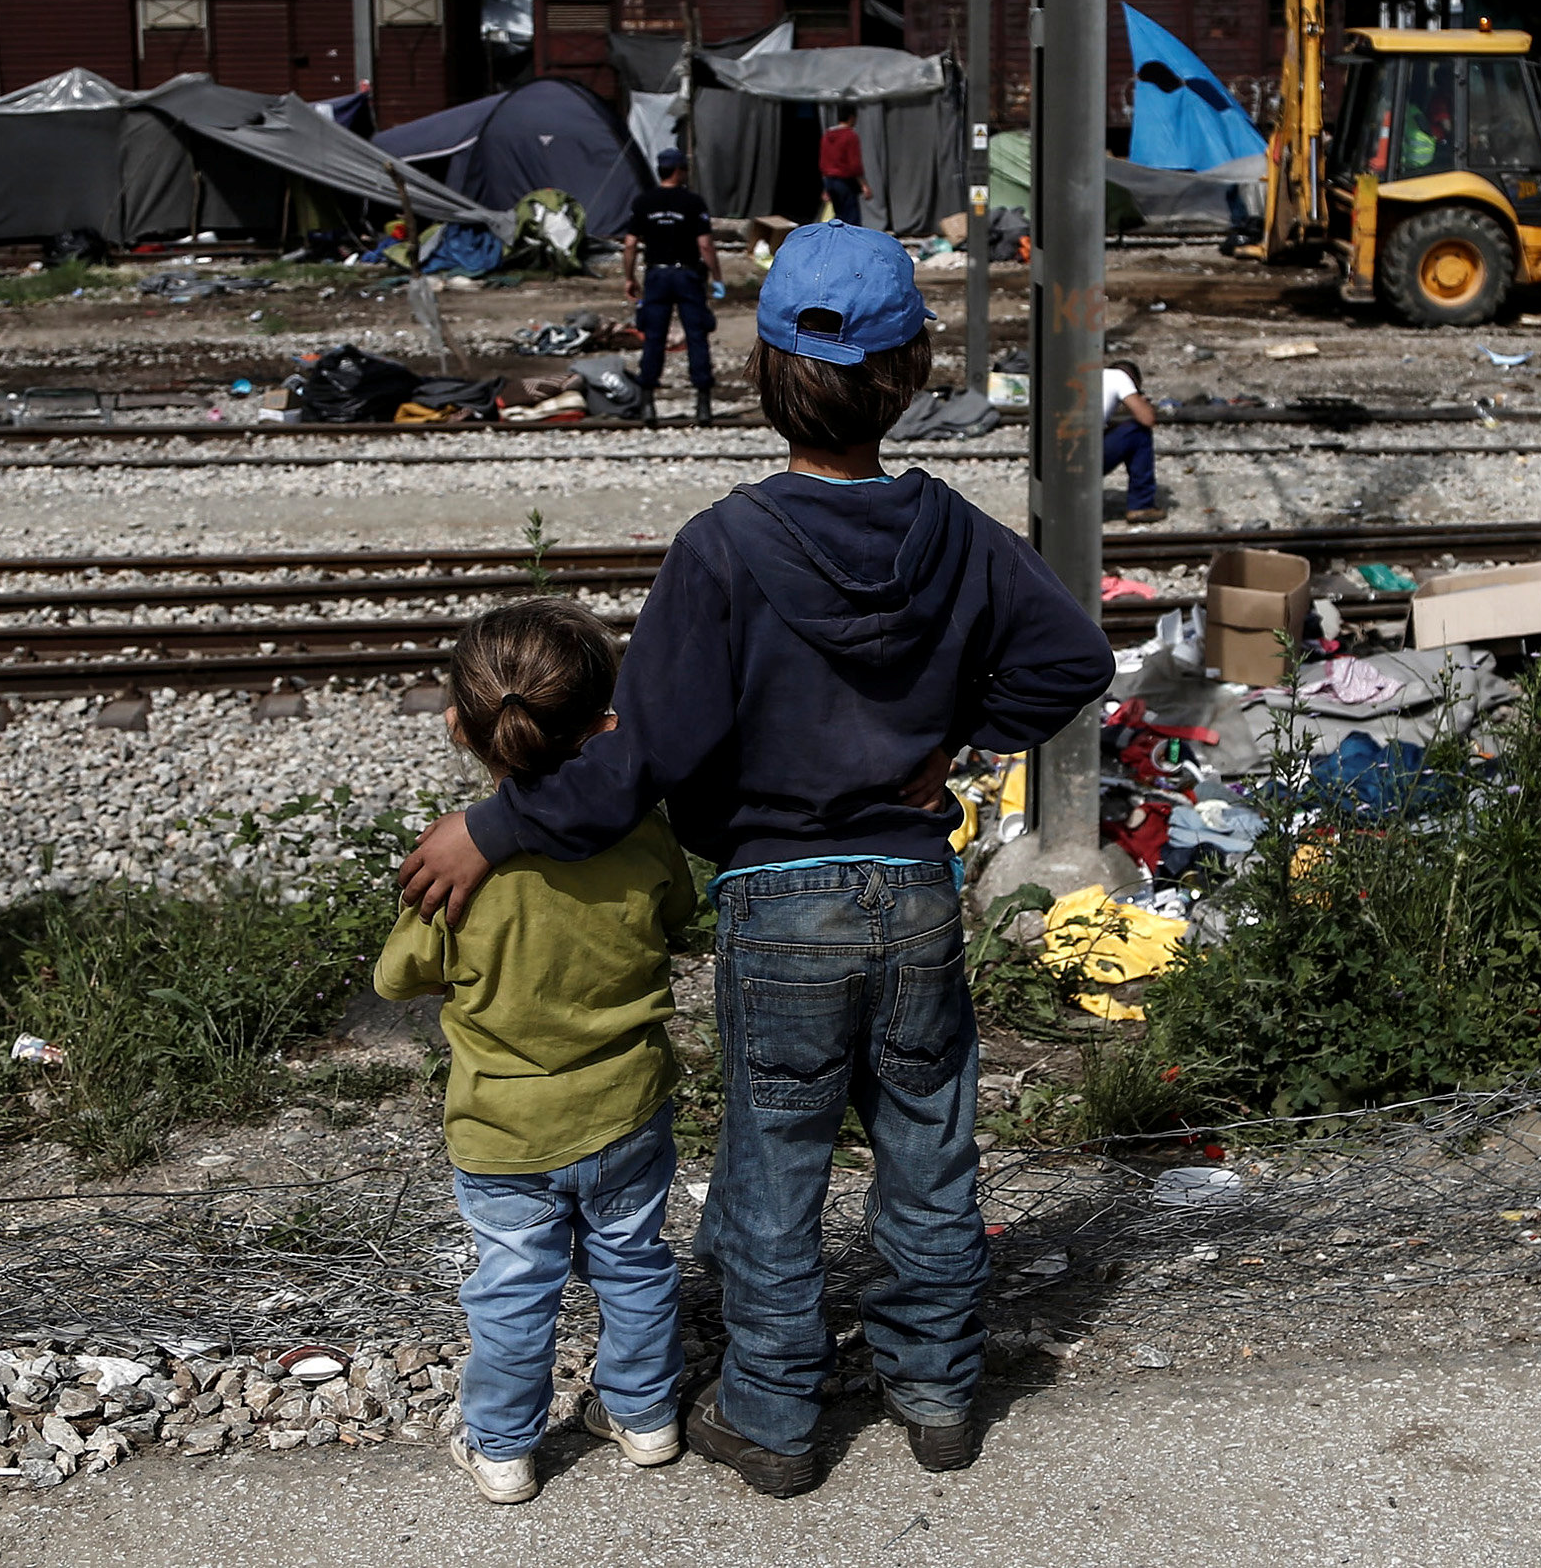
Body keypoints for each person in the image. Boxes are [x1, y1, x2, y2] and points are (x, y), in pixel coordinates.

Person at [394, 222, 1115, 1498]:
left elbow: (641, 757)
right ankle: (940, 1390)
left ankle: (774, 1420)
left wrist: (490, 824)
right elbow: (1073, 658)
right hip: (909, 893)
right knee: (929, 1148)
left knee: (773, 1167)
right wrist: (954, 737)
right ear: (908, 372)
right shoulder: (953, 532)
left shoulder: (720, 550)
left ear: (760, 373)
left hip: (775, 904)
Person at [376, 596, 698, 1506]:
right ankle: (644, 1416)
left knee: (514, 1287)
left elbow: (401, 975)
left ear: (457, 728)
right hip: (629, 1103)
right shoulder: (643, 832)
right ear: (604, 724)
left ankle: (506, 1448)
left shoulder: (457, 863)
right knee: (633, 1260)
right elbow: (678, 916)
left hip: (504, 1127)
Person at [623, 146, 721, 422]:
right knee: (696, 335)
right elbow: (705, 245)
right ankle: (703, 403)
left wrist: (629, 277)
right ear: (679, 171)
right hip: (687, 274)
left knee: (654, 337)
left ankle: (648, 402)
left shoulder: (644, 202)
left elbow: (630, 244)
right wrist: (718, 277)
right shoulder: (692, 203)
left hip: (656, 275)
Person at [1101, 359, 1163, 524]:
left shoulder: (1090, 377)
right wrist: (1141, 401)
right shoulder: (1119, 377)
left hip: (1049, 463)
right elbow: (1147, 418)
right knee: (1139, 431)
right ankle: (1141, 505)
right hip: (1079, 459)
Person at [817, 116, 869, 227]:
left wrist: (826, 187)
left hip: (830, 181)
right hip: (845, 182)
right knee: (851, 220)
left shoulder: (827, 136)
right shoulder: (850, 136)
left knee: (838, 218)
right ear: (851, 118)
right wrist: (864, 185)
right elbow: (854, 164)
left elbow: (824, 161)